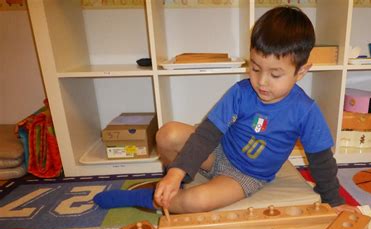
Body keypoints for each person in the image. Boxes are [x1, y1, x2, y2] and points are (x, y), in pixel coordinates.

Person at [94, 6, 356, 215]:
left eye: (275, 74)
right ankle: (177, 182)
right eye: (255, 68)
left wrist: (334, 202)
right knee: (167, 133)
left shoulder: (306, 111)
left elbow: (321, 161)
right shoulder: (241, 92)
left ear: (301, 71)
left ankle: (148, 198)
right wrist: (176, 172)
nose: (262, 82)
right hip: (218, 152)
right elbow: (207, 133)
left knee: (197, 201)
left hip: (246, 176)